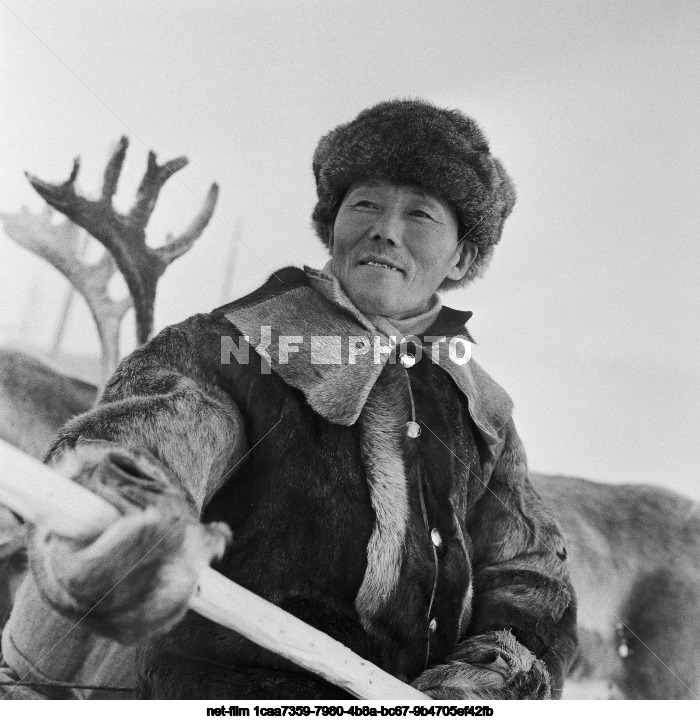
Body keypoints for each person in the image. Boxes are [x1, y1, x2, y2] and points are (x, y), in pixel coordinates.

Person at [0, 99, 577, 700]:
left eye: (422, 215)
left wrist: (482, 680)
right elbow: (164, 429)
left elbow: (528, 572)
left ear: (460, 257)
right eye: (366, 203)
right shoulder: (230, 348)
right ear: (333, 226)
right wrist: (125, 505)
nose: (386, 228)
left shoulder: (481, 408)